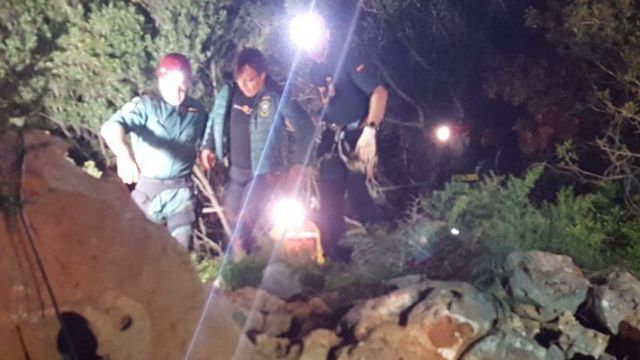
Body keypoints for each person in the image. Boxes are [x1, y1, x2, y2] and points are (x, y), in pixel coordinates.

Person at [200, 47, 315, 261]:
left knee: (246, 219)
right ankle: (237, 273)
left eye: (250, 80)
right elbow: (214, 119)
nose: (244, 85)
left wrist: (299, 163)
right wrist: (208, 146)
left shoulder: (275, 96)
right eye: (240, 79)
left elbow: (305, 125)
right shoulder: (228, 92)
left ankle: (253, 268)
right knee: (231, 222)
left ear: (263, 75)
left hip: (265, 172)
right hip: (234, 172)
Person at [100, 53, 208, 250]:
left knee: (181, 254)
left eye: (182, 85)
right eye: (172, 85)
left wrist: (209, 150)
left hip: (181, 190)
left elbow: (211, 135)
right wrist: (124, 155)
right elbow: (111, 127)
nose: (178, 91)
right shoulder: (146, 105)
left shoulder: (196, 110)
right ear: (161, 80)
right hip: (150, 189)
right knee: (139, 251)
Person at [305, 14, 389, 261]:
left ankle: (387, 254)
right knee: (329, 204)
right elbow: (328, 100)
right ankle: (338, 262)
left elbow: (379, 92)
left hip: (358, 136)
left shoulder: (345, 57)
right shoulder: (315, 70)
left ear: (326, 35)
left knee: (360, 196)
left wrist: (371, 129)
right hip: (333, 139)